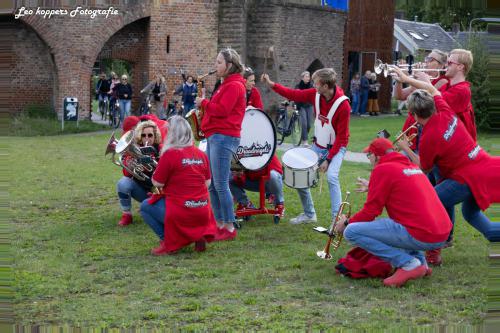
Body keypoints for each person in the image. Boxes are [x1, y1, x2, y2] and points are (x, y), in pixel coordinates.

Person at [392, 67, 500, 262]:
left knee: (431, 202)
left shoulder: (428, 137)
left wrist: (405, 147)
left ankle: (433, 251)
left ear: (414, 115)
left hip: (466, 177)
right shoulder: (445, 110)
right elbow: (431, 89)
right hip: (482, 164)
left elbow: (424, 167)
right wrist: (407, 78)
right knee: (470, 214)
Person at [334, 138, 452, 287]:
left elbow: (371, 212)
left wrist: (346, 222)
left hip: (423, 234)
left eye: (368, 155)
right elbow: (401, 190)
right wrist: (373, 186)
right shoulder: (410, 166)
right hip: (442, 233)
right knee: (400, 225)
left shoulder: (382, 169)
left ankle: (409, 264)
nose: (369, 159)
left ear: (376, 155)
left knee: (351, 231)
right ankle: (422, 264)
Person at [261, 67, 350, 225]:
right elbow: (293, 94)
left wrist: (328, 160)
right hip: (318, 144)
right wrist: (271, 84)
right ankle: (310, 215)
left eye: (316, 83)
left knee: (332, 177)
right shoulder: (315, 94)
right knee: (299, 173)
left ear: (325, 86)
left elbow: (342, 138)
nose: (313, 86)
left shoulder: (343, 105)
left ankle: (337, 220)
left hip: (337, 147)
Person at [140, 116, 217, 255]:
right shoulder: (201, 154)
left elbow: (157, 183)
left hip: (182, 211)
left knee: (145, 206)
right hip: (202, 212)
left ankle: (169, 242)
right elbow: (207, 183)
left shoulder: (170, 154)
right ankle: (198, 237)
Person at [194, 48, 246, 240]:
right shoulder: (225, 84)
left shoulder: (234, 86)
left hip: (224, 136)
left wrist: (204, 103)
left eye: (218, 63)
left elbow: (223, 110)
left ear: (229, 65)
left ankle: (229, 227)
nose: (215, 66)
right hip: (216, 136)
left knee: (221, 184)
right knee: (212, 185)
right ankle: (220, 223)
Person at [395, 49, 449, 150]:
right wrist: (399, 80)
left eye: (431, 59)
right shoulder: (421, 79)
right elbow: (400, 96)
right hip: (412, 125)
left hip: (424, 127)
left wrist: (413, 79)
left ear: (441, 65)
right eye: (427, 58)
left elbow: (420, 99)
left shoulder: (442, 81)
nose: (426, 61)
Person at [116, 119, 162, 226]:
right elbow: (126, 175)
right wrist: (129, 165)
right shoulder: (134, 150)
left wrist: (150, 161)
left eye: (150, 135)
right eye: (143, 135)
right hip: (143, 191)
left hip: (162, 193)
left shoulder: (161, 149)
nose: (147, 138)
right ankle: (126, 215)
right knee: (123, 183)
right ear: (139, 137)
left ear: (155, 136)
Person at [295, 71, 314, 146]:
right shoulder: (298, 86)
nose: (308, 78)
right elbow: (294, 94)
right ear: (302, 78)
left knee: (309, 124)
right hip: (301, 106)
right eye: (306, 76)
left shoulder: (311, 86)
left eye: (309, 76)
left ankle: (303, 136)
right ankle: (305, 140)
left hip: (309, 106)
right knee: (304, 123)